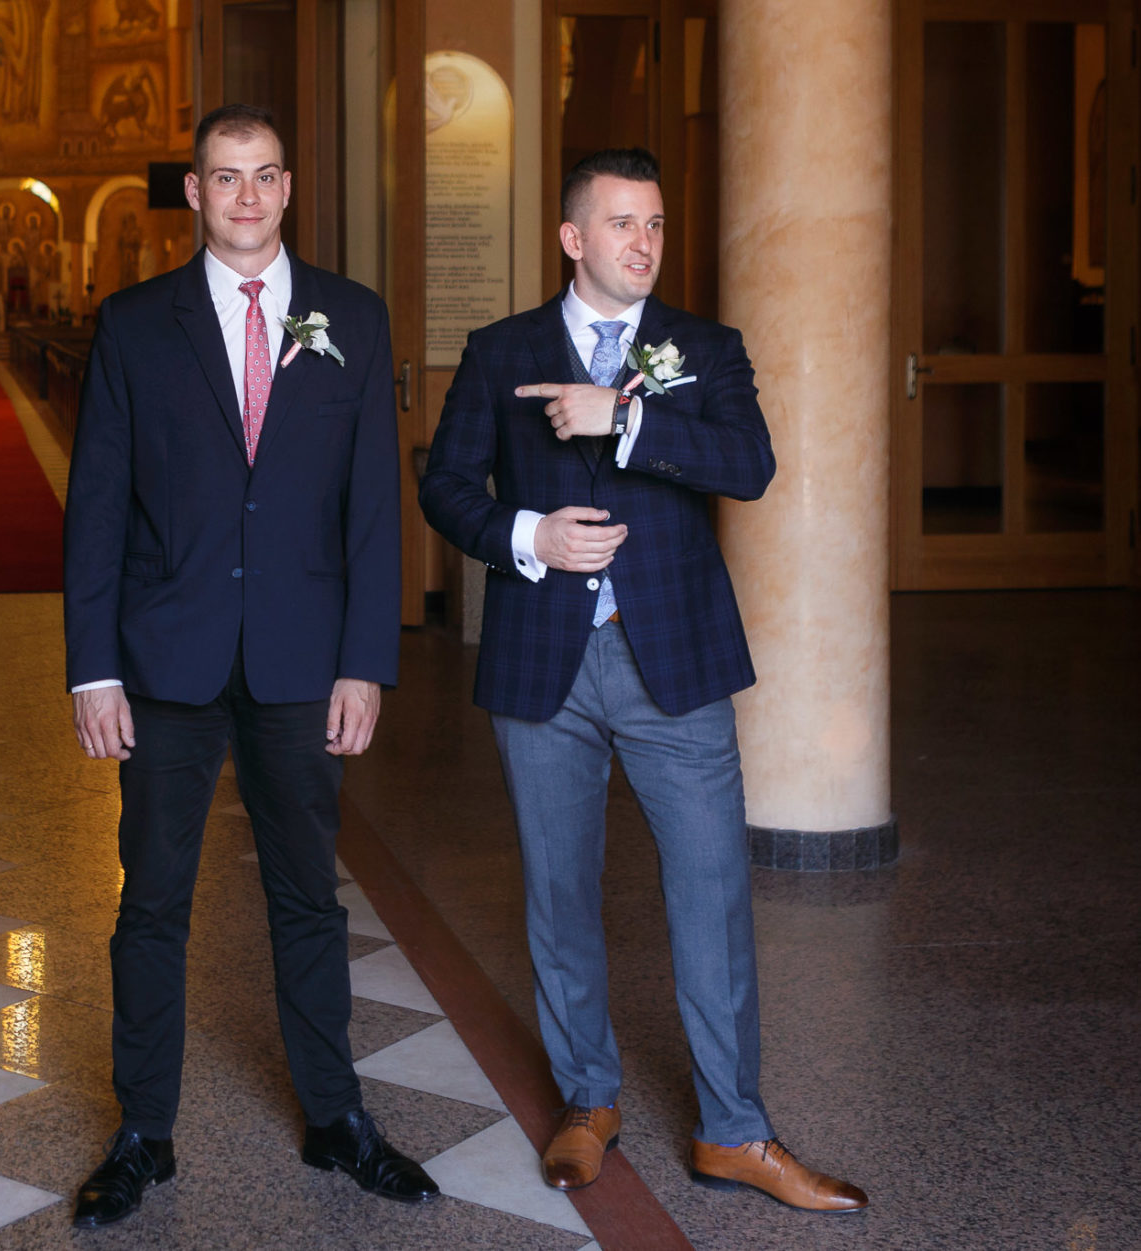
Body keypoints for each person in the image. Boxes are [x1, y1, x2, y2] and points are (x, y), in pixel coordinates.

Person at [418, 147, 867, 1213]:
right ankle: (586, 1101)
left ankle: (733, 1131)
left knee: (711, 894)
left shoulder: (705, 348)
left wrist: (625, 420)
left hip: (674, 659)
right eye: (622, 224)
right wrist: (527, 534)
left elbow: (749, 467)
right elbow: (444, 488)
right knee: (559, 892)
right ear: (572, 237)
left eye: (655, 224)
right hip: (543, 660)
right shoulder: (499, 351)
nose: (644, 243)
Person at [61, 103, 438, 1228]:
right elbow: (95, 506)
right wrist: (92, 670)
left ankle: (335, 1118)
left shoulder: (351, 318)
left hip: (302, 657)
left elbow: (371, 509)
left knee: (309, 899)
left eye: (265, 175)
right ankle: (143, 1131)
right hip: (165, 657)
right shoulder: (135, 324)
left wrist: (365, 662)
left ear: (287, 187)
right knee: (151, 902)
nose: (247, 196)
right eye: (225, 177)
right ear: (194, 192)